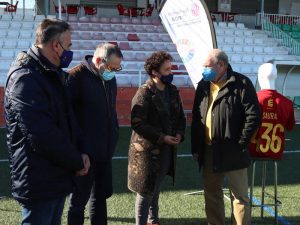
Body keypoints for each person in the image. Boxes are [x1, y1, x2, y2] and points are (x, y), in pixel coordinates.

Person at [4, 19, 90, 225]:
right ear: (55, 45)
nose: (70, 51)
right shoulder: (25, 78)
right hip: (39, 181)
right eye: (68, 46)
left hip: (56, 175)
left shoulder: (51, 73)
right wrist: (77, 161)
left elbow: (68, 119)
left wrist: (82, 150)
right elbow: (42, 134)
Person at [191, 49, 261, 225]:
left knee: (239, 197)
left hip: (234, 151)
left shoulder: (242, 83)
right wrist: (196, 147)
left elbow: (253, 117)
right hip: (208, 150)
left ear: (221, 65)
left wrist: (241, 143)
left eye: (207, 66)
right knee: (212, 195)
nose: (203, 70)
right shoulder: (203, 85)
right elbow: (196, 117)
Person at [66, 43, 123, 225]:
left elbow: (110, 112)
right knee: (78, 202)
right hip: (84, 154)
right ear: (98, 61)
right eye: (112, 67)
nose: (114, 72)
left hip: (104, 152)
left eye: (117, 68)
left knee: (100, 198)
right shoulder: (75, 77)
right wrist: (80, 151)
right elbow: (68, 120)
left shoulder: (109, 78)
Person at [128, 51, 186, 225]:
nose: (171, 73)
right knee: (146, 191)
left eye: (171, 68)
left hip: (166, 149)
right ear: (155, 72)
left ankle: (153, 221)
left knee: (156, 187)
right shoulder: (144, 93)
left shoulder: (172, 91)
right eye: (167, 69)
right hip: (146, 152)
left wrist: (179, 134)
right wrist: (162, 137)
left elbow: (181, 118)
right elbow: (137, 123)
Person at [249, 62, 295, 160]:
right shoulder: (287, 103)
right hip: (276, 152)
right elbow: (290, 127)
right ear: (276, 77)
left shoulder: (252, 99)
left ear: (260, 77)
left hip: (252, 151)